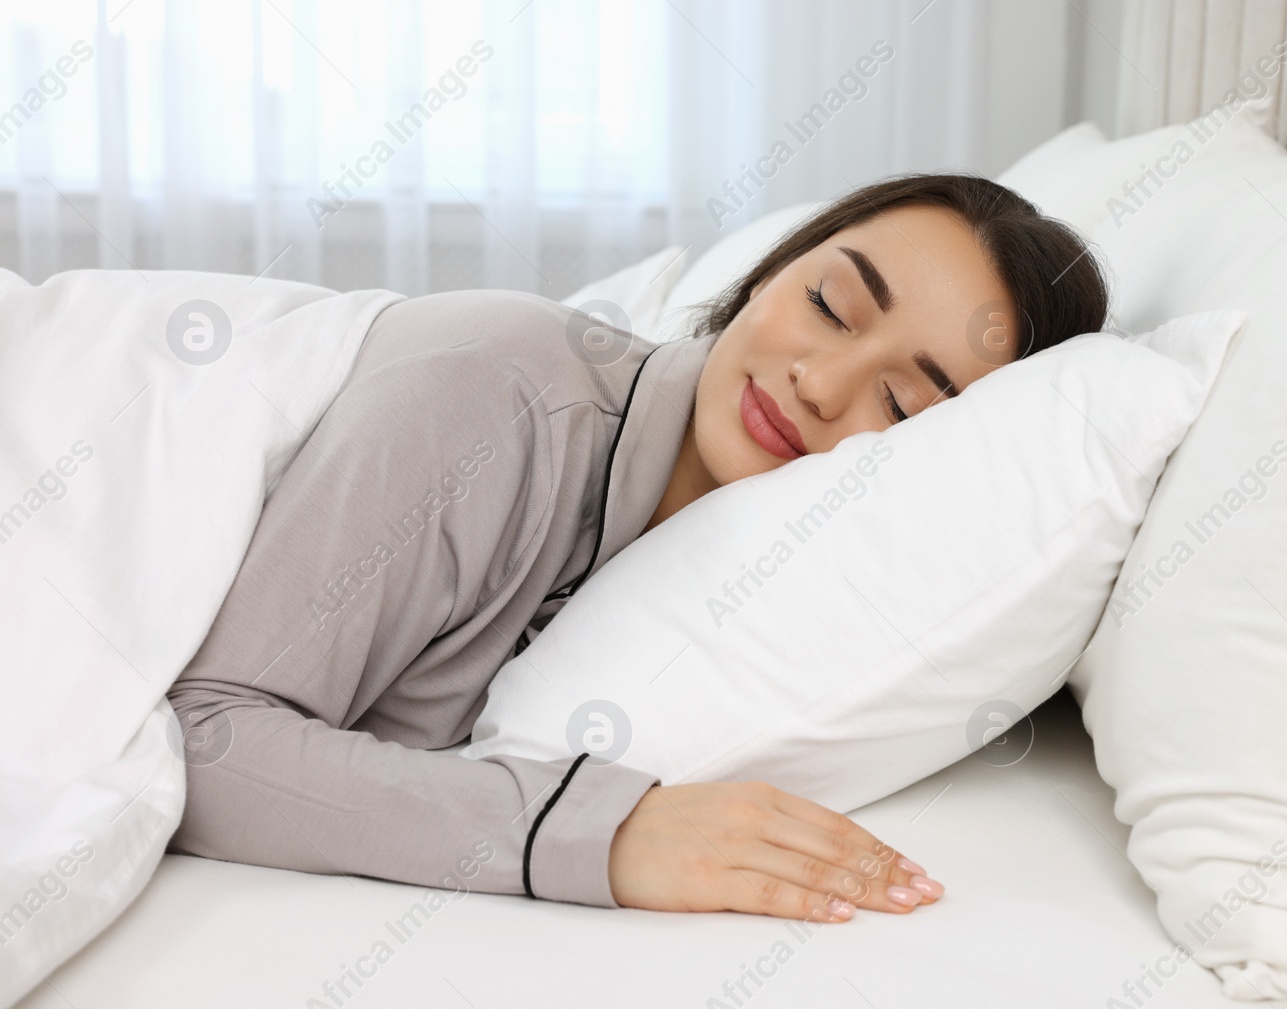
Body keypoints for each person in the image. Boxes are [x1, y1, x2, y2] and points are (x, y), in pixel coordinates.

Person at [166, 173, 1108, 924]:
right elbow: (201, 736)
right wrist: (601, 832)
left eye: (902, 403)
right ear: (770, 273)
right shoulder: (501, 389)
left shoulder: (719, 581)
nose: (820, 383)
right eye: (828, 303)